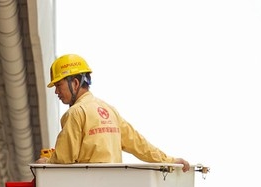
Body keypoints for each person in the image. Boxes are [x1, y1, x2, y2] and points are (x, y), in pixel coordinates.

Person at [36, 53, 190, 170]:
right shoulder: (109, 111)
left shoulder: (75, 113)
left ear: (75, 83)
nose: (56, 92)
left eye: (58, 85)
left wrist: (46, 162)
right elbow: (138, 144)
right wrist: (169, 161)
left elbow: (63, 159)